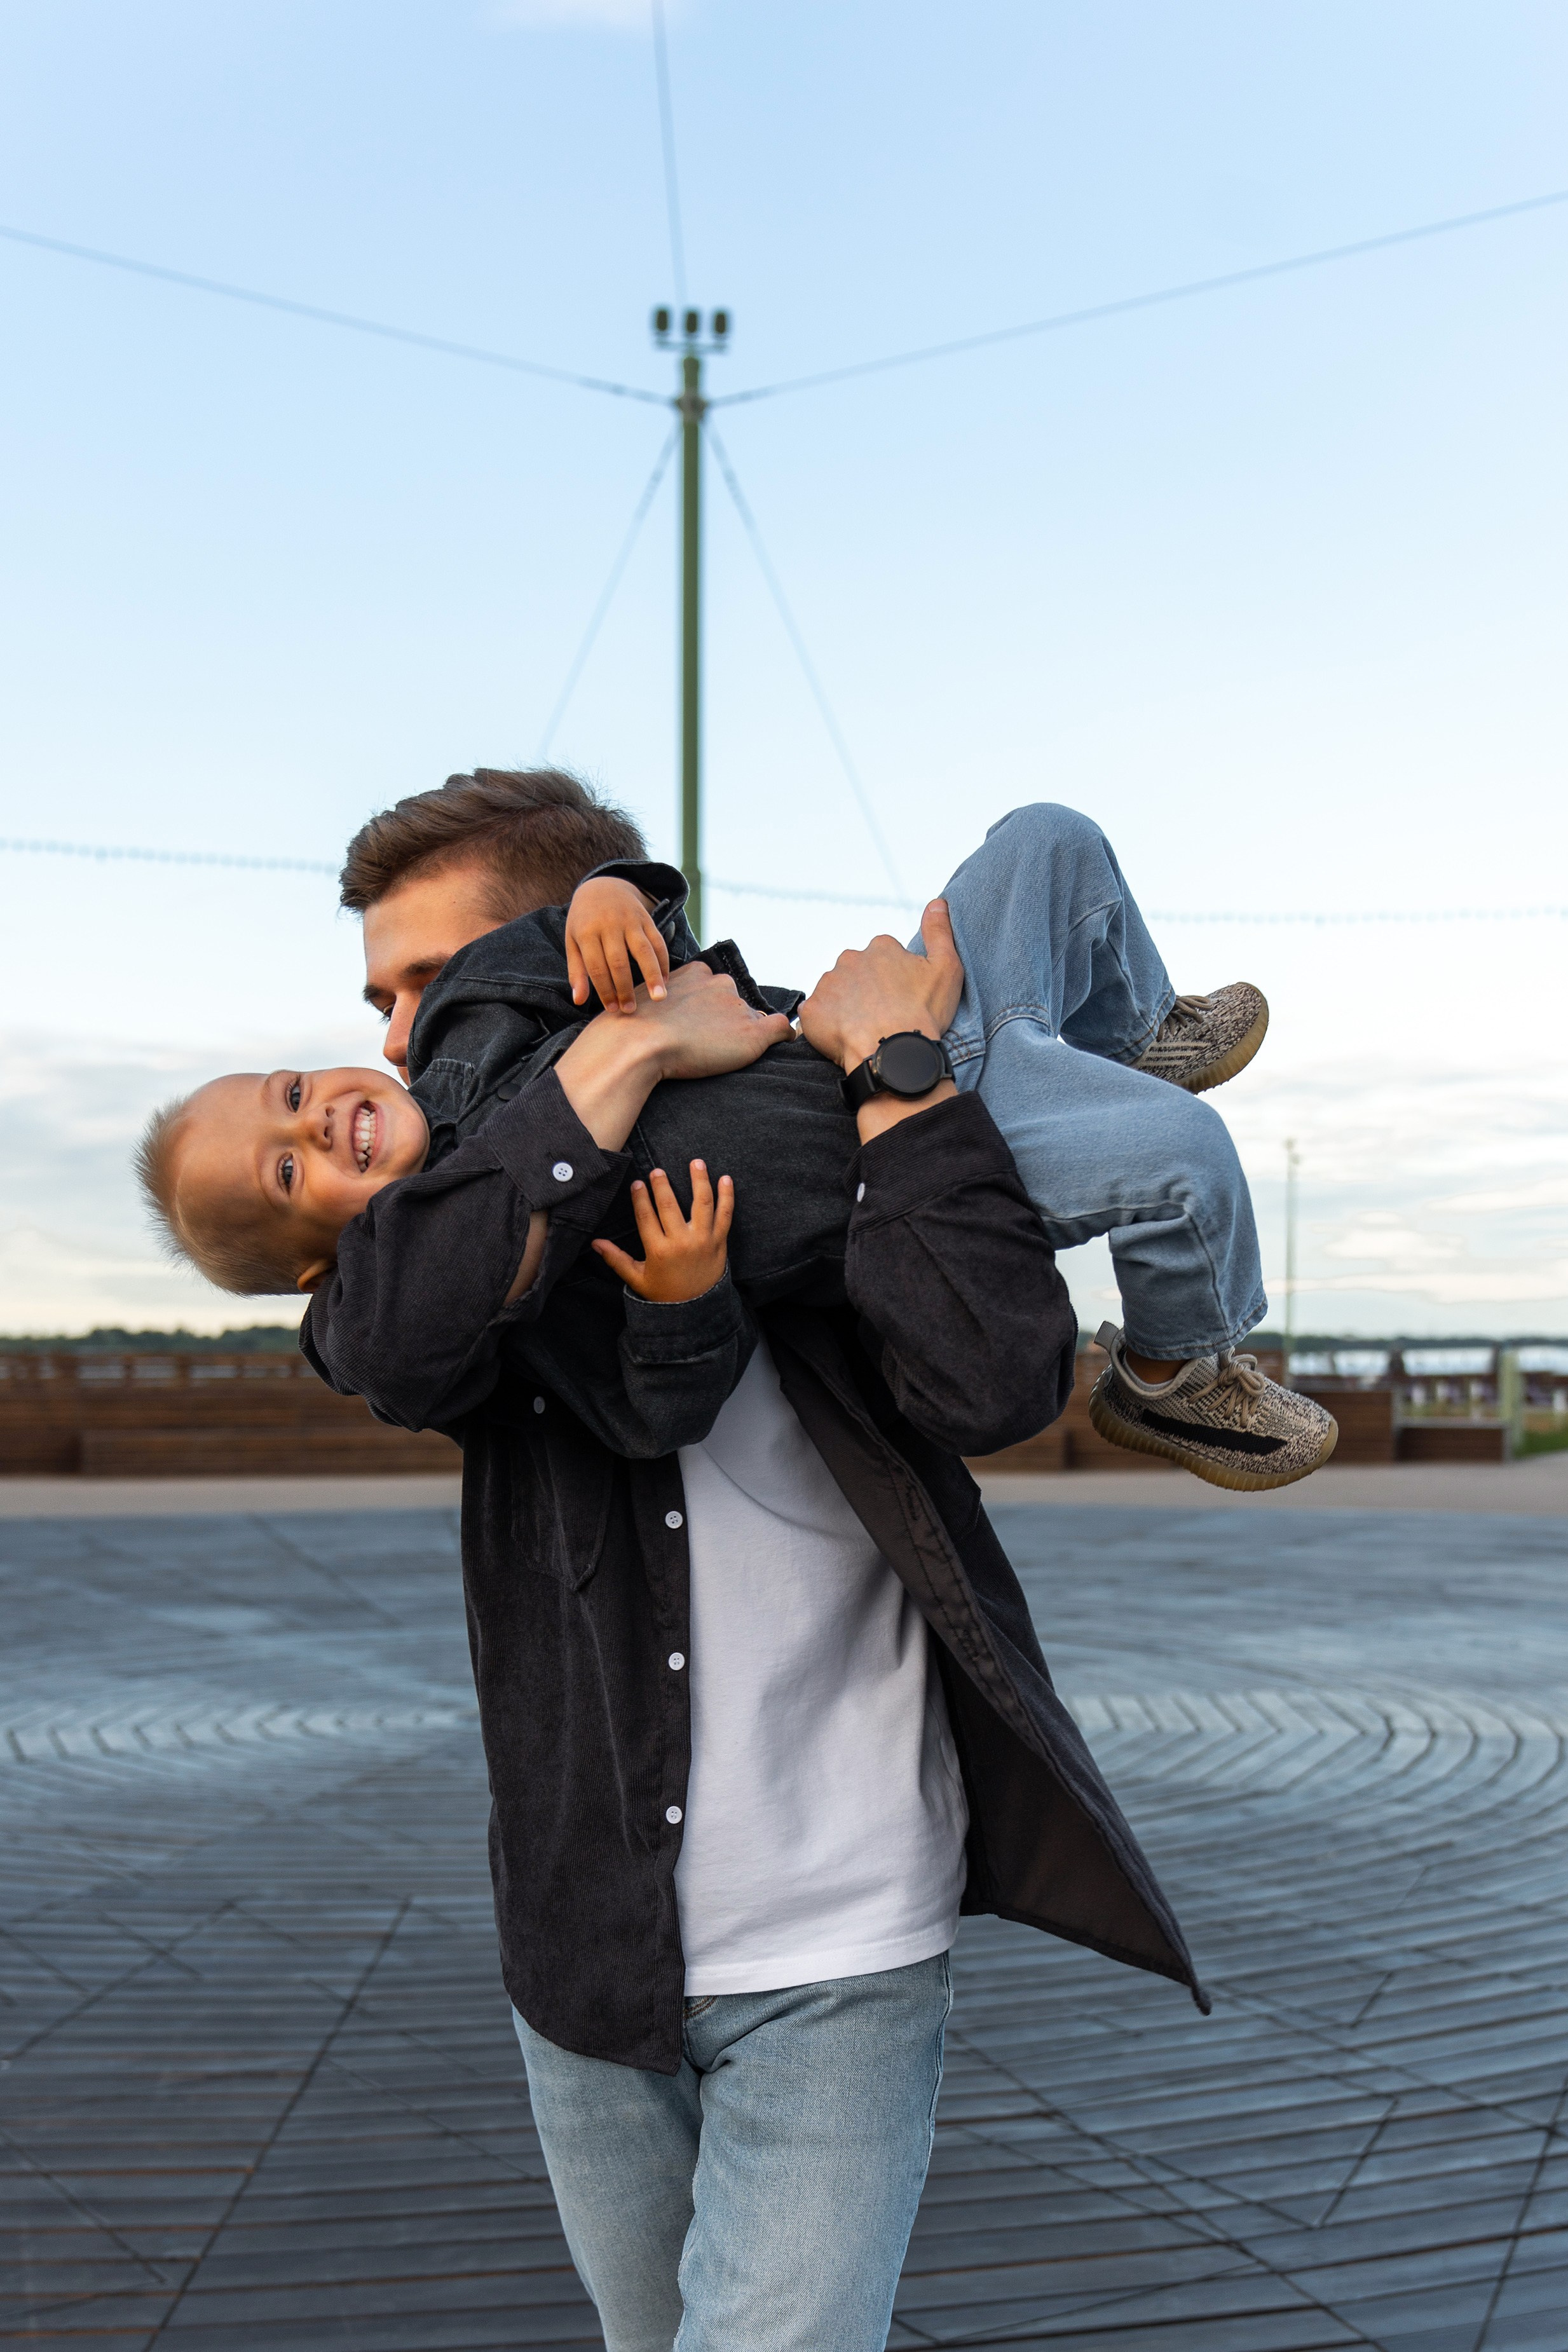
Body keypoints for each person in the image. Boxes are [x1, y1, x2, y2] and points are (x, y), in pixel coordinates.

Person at [137, 769, 1220, 2352]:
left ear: (572, 954)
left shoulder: (794, 1108)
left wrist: (900, 1077)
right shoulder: (429, 1280)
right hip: (592, 1969)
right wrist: (631, 1048)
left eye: (422, 986)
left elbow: (997, 1383)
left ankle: (1187, 1263)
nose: (386, 1043)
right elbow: (414, 1313)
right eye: (378, 1001)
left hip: (848, 1935)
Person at [140, 781, 1334, 1490]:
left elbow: (589, 930)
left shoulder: (476, 1023)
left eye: (294, 1089)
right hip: (930, 1115)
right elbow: (633, 1397)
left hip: (910, 1019)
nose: (377, 1061)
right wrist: (678, 1301)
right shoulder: (468, 1262)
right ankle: (1177, 1371)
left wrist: (611, 891)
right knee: (1187, 1159)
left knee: (1049, 838)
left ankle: (1123, 1028)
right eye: (286, 1165)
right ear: (313, 1260)